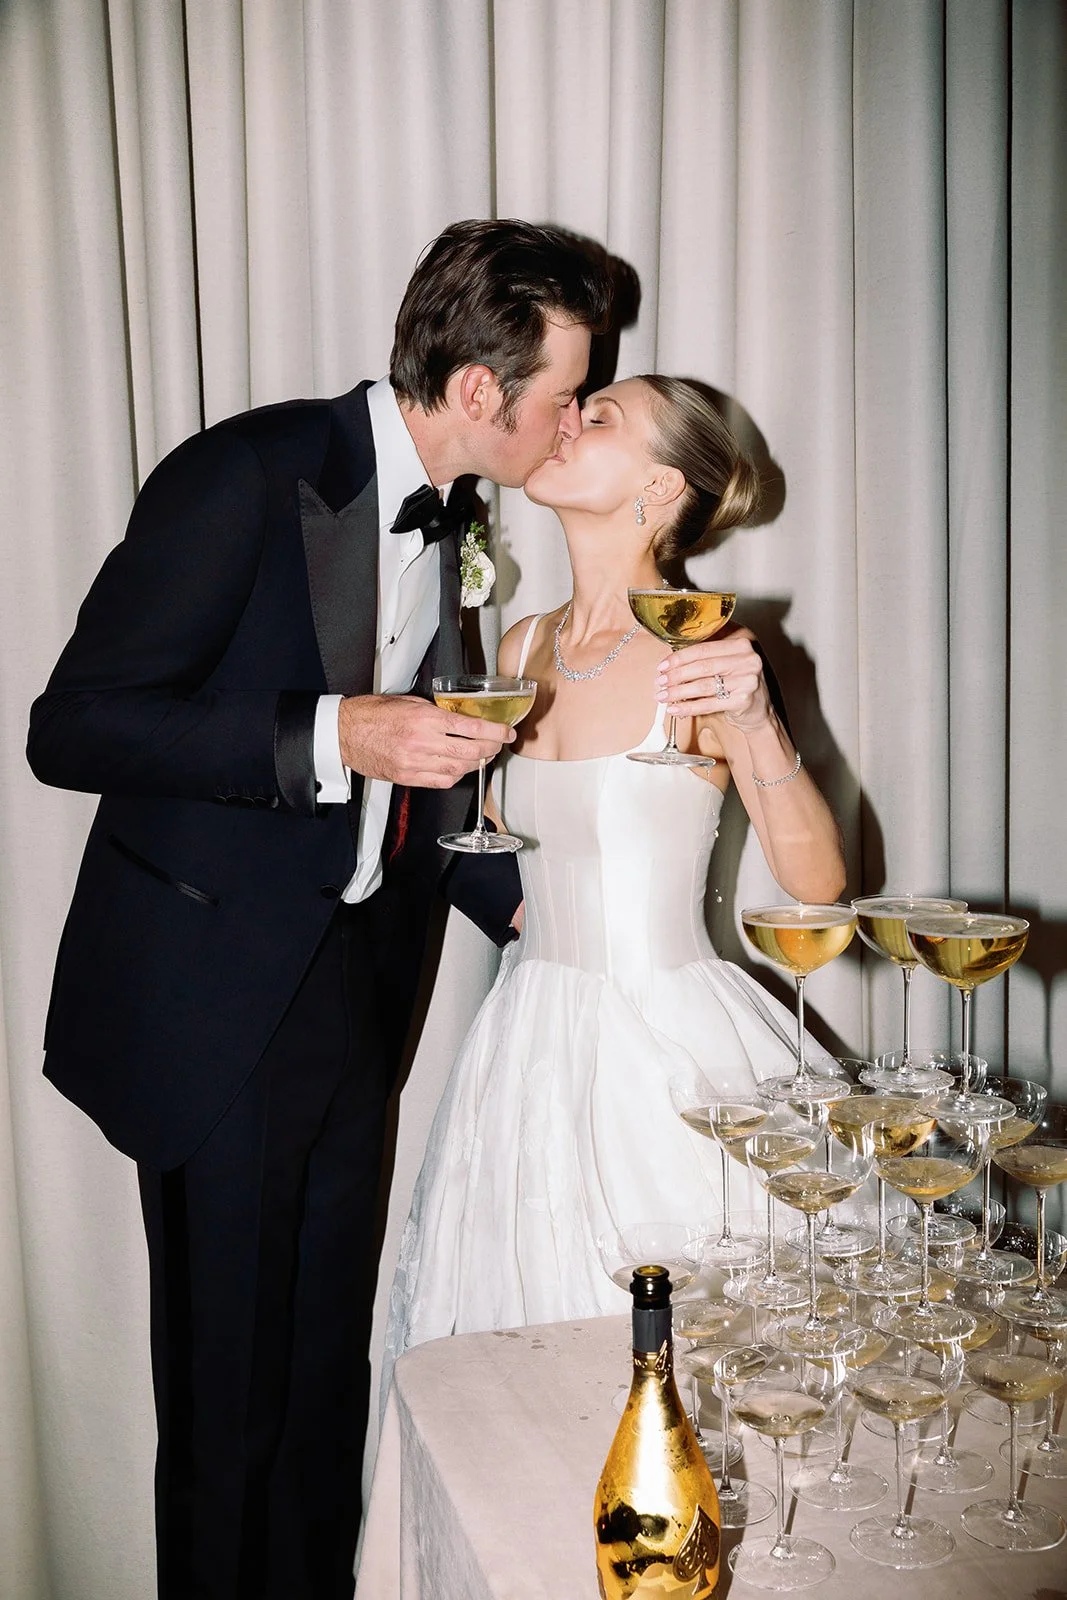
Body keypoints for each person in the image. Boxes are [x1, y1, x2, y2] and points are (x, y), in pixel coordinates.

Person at [26, 219, 612, 1600]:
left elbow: (430, 782)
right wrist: (326, 730)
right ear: (480, 389)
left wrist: (553, 920)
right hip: (217, 1007)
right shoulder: (243, 475)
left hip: (359, 995)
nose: (573, 419)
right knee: (227, 1413)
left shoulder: (459, 521)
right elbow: (72, 727)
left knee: (318, 1393)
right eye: (565, 392)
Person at [385, 372, 847, 1361]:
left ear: (660, 486)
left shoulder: (707, 650)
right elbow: (496, 838)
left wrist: (756, 722)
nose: (565, 419)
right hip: (522, 1044)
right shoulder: (522, 646)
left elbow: (818, 887)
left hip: (666, 1050)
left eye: (599, 417)